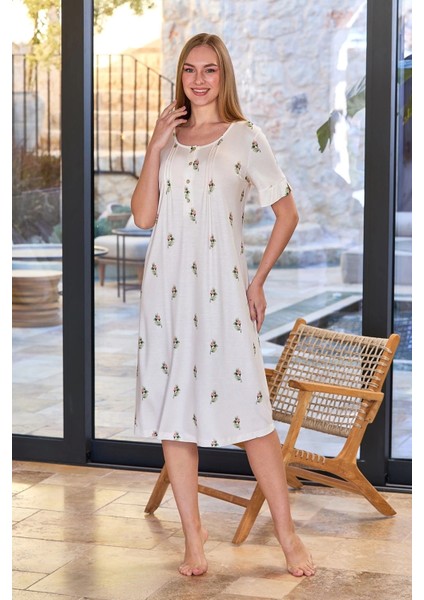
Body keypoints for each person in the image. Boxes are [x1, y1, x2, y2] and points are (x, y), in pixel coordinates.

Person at [131, 32, 316, 579]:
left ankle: (288, 536)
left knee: (253, 416)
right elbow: (144, 217)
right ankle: (194, 539)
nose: (199, 80)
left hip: (222, 294)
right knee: (175, 420)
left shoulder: (245, 137)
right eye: (189, 70)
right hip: (166, 294)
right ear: (181, 76)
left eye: (209, 70)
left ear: (223, 75)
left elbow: (287, 213)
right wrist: (154, 148)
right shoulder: (168, 137)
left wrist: (257, 281)